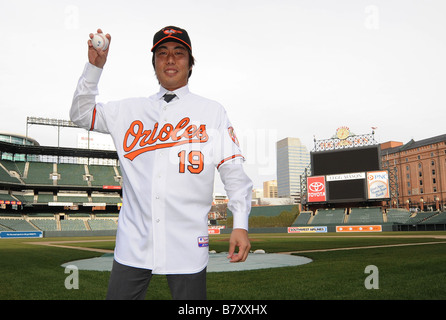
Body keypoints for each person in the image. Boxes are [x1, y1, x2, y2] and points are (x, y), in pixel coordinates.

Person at [70, 26, 253, 300]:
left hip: (188, 245)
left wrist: (240, 222)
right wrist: (94, 68)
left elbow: (233, 171)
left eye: (179, 53)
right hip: (134, 244)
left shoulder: (212, 112)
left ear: (190, 64)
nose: (170, 59)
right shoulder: (128, 110)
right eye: (162, 53)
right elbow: (81, 114)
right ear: (154, 63)